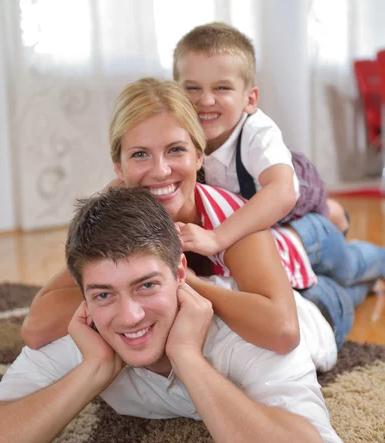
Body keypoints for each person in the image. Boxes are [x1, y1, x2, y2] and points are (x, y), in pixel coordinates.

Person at [0, 187, 348, 443]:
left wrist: (187, 357)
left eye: (147, 285)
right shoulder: (84, 333)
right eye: (103, 294)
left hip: (319, 313)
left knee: (350, 273)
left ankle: (334, 230)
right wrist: (93, 369)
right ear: (83, 297)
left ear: (179, 274)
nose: (130, 317)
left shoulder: (246, 338)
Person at [21, 78, 384, 354]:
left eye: (175, 150)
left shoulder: (229, 216)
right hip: (267, 271)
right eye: (140, 155)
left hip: (300, 278)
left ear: (199, 156)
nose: (160, 171)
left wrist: (188, 285)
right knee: (358, 284)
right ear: (118, 166)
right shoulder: (116, 216)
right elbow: (36, 329)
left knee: (346, 277)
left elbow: (285, 331)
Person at [173, 21, 350, 261]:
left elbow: (283, 192)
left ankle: (335, 215)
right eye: (192, 88)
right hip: (240, 203)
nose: (205, 100)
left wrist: (217, 237)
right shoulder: (176, 126)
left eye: (222, 88)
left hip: (292, 191)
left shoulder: (258, 131)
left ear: (250, 99)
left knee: (319, 217)